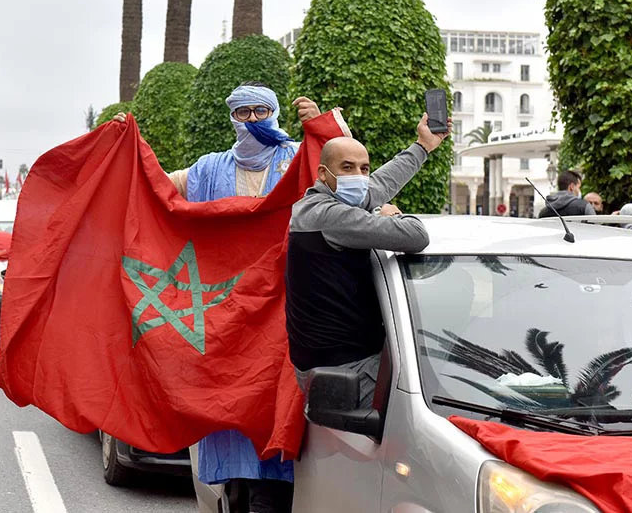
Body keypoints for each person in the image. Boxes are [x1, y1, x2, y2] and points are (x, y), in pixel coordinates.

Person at [113, 82, 329, 512]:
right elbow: (156, 188)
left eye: (260, 111)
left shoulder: (299, 161)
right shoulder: (208, 169)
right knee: (229, 425)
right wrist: (127, 144)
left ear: (274, 113)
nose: (252, 121)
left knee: (273, 426)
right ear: (231, 117)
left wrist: (319, 127)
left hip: (281, 320)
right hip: (224, 322)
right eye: (242, 113)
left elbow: (346, 175)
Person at [286, 114, 451, 409]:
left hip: (346, 362)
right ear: (323, 173)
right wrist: (390, 216)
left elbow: (379, 185)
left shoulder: (324, 203)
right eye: (347, 168)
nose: (359, 177)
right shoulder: (328, 215)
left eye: (364, 169)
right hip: (345, 373)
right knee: (438, 402)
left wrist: (423, 146)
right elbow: (416, 236)